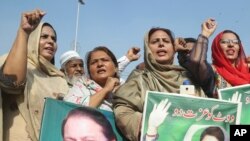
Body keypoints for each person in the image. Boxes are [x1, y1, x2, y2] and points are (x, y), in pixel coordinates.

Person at [113, 27, 207, 141]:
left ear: (173, 48)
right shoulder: (139, 78)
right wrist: (150, 124)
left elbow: (206, 109)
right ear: (147, 48)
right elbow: (123, 111)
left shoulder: (187, 78)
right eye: (155, 42)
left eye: (166, 41)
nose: (161, 44)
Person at [0, 9, 68, 141]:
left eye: (53, 39)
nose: (50, 41)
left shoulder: (60, 79)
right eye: (44, 37)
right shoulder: (12, 61)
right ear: (32, 39)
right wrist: (24, 32)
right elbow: (10, 84)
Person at [64, 46, 120, 111]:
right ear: (89, 71)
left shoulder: (125, 90)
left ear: (116, 67)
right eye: (94, 62)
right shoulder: (79, 88)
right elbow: (74, 112)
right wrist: (106, 89)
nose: (100, 64)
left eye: (105, 60)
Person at [177, 18, 217, 97]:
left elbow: (197, 61)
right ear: (178, 56)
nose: (189, 55)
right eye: (185, 51)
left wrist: (204, 34)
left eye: (193, 52)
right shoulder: (170, 74)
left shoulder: (206, 73)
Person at [211, 29, 250, 97]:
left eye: (235, 42)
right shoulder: (211, 70)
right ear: (216, 47)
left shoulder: (248, 70)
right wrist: (204, 34)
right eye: (225, 42)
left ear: (239, 47)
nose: (231, 44)